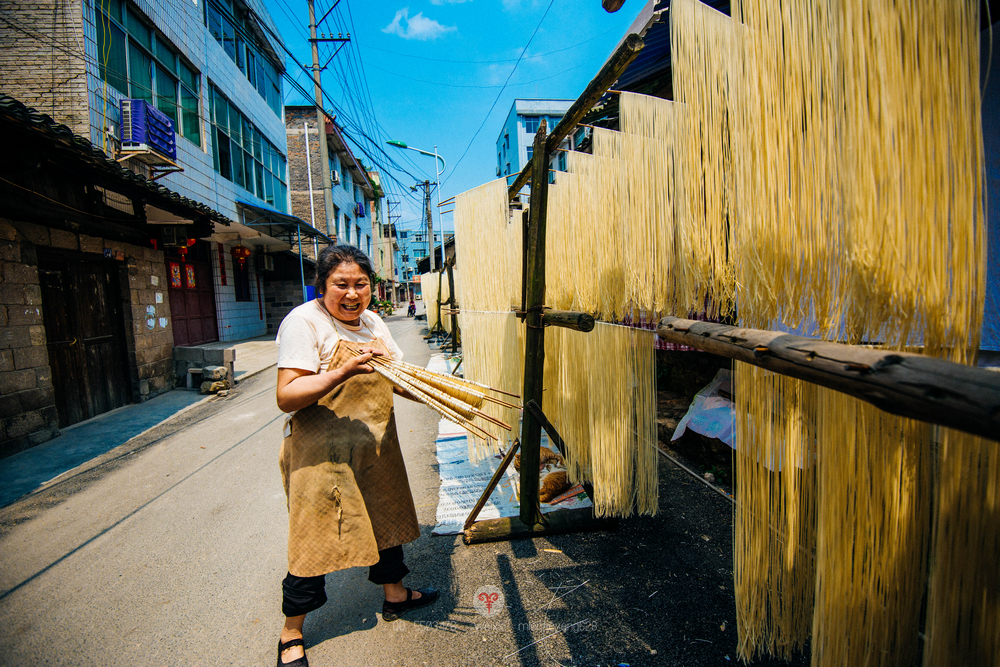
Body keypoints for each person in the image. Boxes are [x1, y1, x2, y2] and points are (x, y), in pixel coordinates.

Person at [274, 245, 438, 666]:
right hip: (321, 453)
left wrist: (435, 392)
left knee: (388, 518)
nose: (352, 294)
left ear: (372, 286)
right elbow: (287, 396)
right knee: (315, 536)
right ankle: (291, 633)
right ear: (322, 286)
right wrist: (344, 370)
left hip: (375, 445)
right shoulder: (304, 322)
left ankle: (396, 595)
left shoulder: (373, 322)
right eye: (341, 285)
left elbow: (398, 378)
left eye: (360, 284)